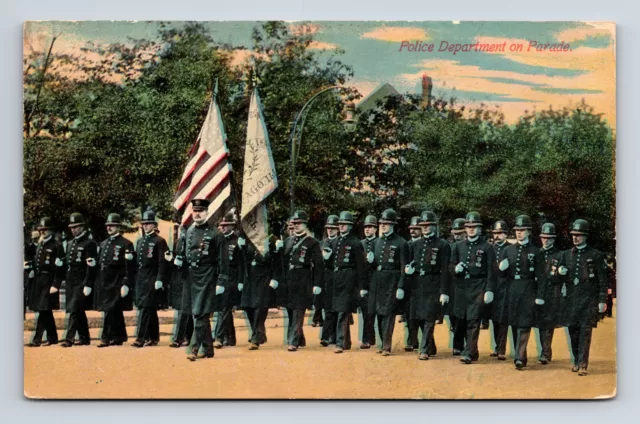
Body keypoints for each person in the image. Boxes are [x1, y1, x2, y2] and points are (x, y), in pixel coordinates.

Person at [558, 219, 608, 376]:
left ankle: (583, 363)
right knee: (572, 331)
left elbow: (602, 281)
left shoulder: (596, 255)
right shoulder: (565, 255)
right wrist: (560, 272)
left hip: (588, 300)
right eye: (574, 235)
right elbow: (555, 279)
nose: (575, 238)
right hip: (571, 300)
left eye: (579, 235)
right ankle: (575, 360)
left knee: (585, 332)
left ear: (585, 236)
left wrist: (602, 300)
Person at [183, 199, 229, 361]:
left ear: (207, 213)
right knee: (198, 313)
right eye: (195, 211)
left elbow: (223, 261)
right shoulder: (189, 231)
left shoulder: (216, 234)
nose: (197, 214)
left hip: (208, 275)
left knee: (201, 312)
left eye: (200, 211)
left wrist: (221, 281)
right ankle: (208, 349)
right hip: (192, 276)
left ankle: (193, 349)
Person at [498, 215, 545, 370]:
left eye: (522, 230)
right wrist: (501, 268)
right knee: (514, 324)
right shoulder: (507, 250)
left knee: (524, 324)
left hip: (528, 289)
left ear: (528, 232)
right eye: (517, 230)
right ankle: (520, 354)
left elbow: (541, 276)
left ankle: (519, 356)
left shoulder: (536, 251)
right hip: (512, 289)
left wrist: (539, 296)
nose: (519, 233)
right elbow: (502, 276)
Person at [450, 211, 497, 364]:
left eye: (474, 227)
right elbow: (450, 266)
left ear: (479, 229)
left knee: (473, 319)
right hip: (462, 286)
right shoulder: (458, 246)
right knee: (461, 319)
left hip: (479, 285)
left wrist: (489, 289)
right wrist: (455, 269)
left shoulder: (487, 247)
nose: (471, 229)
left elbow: (492, 270)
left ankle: (469, 352)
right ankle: (472, 350)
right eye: (468, 227)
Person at [406, 211, 451, 360]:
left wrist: (444, 291)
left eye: (428, 225)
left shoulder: (442, 245)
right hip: (418, 283)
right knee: (417, 318)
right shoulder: (415, 245)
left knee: (429, 318)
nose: (425, 228)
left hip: (434, 283)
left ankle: (424, 349)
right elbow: (410, 263)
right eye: (423, 225)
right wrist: (409, 271)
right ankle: (430, 346)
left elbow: (445, 269)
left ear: (434, 226)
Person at [366, 209, 409, 356]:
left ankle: (386, 345)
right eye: (382, 223)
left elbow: (404, 266)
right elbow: (371, 266)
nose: (383, 226)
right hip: (377, 281)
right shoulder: (376, 242)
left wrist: (401, 286)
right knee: (378, 313)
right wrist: (371, 262)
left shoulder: (401, 243)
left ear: (393, 225)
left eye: (387, 224)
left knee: (389, 314)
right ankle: (382, 343)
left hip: (392, 280)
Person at [282, 210, 324, 352]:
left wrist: (317, 284)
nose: (297, 226)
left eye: (300, 223)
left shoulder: (313, 243)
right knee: (290, 309)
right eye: (295, 223)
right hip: (290, 278)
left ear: (305, 225)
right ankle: (299, 338)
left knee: (299, 309)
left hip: (304, 277)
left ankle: (293, 340)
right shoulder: (288, 241)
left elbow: (319, 265)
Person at [326, 211, 367, 353]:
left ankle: (339, 342)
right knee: (338, 309)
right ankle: (346, 342)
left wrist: (362, 286)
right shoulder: (335, 242)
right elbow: (330, 263)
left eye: (345, 224)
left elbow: (361, 267)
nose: (342, 227)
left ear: (350, 226)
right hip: (337, 278)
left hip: (349, 278)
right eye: (340, 224)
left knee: (343, 310)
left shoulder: (355, 243)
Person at [93, 213, 136, 347]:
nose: (109, 228)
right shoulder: (104, 243)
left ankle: (106, 337)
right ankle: (119, 337)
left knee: (111, 309)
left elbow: (129, 266)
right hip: (105, 281)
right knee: (113, 310)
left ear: (118, 227)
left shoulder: (126, 244)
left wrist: (125, 283)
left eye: (112, 226)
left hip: (117, 280)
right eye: (108, 226)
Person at [131, 210, 169, 348]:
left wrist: (160, 279)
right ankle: (153, 337)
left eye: (148, 224)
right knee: (149, 308)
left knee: (146, 308)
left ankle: (140, 338)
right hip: (141, 278)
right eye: (144, 224)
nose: (145, 226)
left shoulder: (159, 241)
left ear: (154, 225)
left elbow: (162, 262)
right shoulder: (140, 241)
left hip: (152, 277)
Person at [60, 213, 97, 347]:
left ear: (82, 227)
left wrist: (88, 283)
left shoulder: (89, 243)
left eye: (76, 227)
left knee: (74, 309)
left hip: (81, 280)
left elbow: (91, 266)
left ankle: (69, 339)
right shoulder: (70, 243)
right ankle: (84, 338)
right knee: (79, 310)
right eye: (72, 227)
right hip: (71, 281)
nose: (73, 229)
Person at [26, 217, 64, 347]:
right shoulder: (40, 245)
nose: (43, 232)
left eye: (45, 229)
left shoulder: (57, 246)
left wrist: (56, 284)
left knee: (43, 309)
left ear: (51, 231)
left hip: (49, 281)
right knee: (45, 310)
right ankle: (52, 337)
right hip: (38, 281)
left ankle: (37, 339)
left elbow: (60, 268)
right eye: (41, 229)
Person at [241, 236, 283, 350]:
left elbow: (278, 263)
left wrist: (275, 278)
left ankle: (255, 338)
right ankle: (259, 333)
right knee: (248, 307)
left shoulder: (272, 242)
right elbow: (244, 261)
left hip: (264, 277)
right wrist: (243, 248)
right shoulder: (249, 241)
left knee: (260, 307)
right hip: (251, 278)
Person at [214, 212, 245, 349]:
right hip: (219, 277)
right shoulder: (218, 240)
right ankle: (231, 338)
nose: (224, 228)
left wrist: (240, 281)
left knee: (223, 308)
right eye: (222, 225)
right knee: (224, 309)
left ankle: (219, 337)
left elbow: (242, 263)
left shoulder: (237, 241)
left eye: (226, 225)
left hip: (231, 278)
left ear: (232, 226)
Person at [536, 222, 564, 365]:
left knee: (548, 323)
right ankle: (543, 350)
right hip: (538, 292)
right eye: (543, 238)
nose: (546, 240)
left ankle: (546, 352)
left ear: (553, 239)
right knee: (540, 323)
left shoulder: (560, 255)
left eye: (549, 238)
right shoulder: (537, 253)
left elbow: (564, 275)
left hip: (552, 291)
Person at [168, 225, 194, 348]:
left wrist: (182, 261)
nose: (183, 231)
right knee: (182, 308)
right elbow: (175, 257)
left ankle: (180, 338)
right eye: (182, 229)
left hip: (190, 278)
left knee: (185, 309)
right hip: (179, 279)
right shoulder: (178, 242)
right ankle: (186, 337)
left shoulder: (194, 241)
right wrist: (172, 259)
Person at [488, 220, 511, 360]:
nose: (497, 236)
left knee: (503, 318)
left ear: (506, 234)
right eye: (496, 233)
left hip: (505, 286)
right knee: (494, 318)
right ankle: (497, 346)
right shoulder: (490, 248)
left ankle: (502, 348)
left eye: (500, 233)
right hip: (493, 286)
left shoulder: (510, 248)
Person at [448, 218, 467, 356]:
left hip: (467, 285)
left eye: (460, 232)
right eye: (455, 233)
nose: (457, 235)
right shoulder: (449, 246)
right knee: (454, 316)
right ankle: (458, 344)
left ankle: (464, 345)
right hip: (451, 284)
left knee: (465, 316)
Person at [403, 216, 422, 351]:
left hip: (422, 281)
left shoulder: (425, 244)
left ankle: (427, 343)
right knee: (409, 314)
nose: (413, 231)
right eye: (412, 229)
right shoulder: (407, 244)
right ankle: (412, 340)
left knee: (422, 314)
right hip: (409, 282)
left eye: (416, 229)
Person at [359, 215, 378, 349]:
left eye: (370, 227)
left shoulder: (380, 242)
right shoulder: (361, 244)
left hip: (378, 281)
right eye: (366, 227)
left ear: (375, 229)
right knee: (366, 312)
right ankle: (367, 339)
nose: (367, 229)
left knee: (379, 312)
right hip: (365, 281)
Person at [320, 215, 339, 346]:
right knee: (327, 308)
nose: (330, 230)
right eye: (328, 228)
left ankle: (333, 336)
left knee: (336, 308)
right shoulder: (323, 242)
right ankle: (327, 336)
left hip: (337, 275)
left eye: (333, 228)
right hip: (326, 276)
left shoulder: (340, 242)